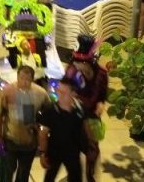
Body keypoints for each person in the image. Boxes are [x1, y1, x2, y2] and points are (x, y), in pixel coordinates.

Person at [65, 35, 109, 182]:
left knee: (92, 151)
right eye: (77, 61)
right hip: (75, 116)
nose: (78, 65)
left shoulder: (101, 74)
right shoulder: (71, 71)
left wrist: (101, 103)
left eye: (82, 62)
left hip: (92, 118)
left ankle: (90, 177)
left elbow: (103, 94)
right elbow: (64, 90)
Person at [0, 66, 50, 182]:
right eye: (21, 78)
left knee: (24, 172)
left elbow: (49, 112)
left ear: (32, 80)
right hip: (10, 139)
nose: (24, 82)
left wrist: (40, 131)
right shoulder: (7, 92)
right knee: (8, 170)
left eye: (27, 79)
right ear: (17, 77)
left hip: (30, 142)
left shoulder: (41, 93)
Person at [37, 76, 86, 182]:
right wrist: (42, 153)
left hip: (73, 152)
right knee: (49, 178)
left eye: (63, 93)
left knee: (76, 177)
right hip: (54, 152)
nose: (59, 94)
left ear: (73, 94)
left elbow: (85, 128)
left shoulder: (80, 109)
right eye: (58, 91)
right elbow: (43, 133)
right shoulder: (50, 110)